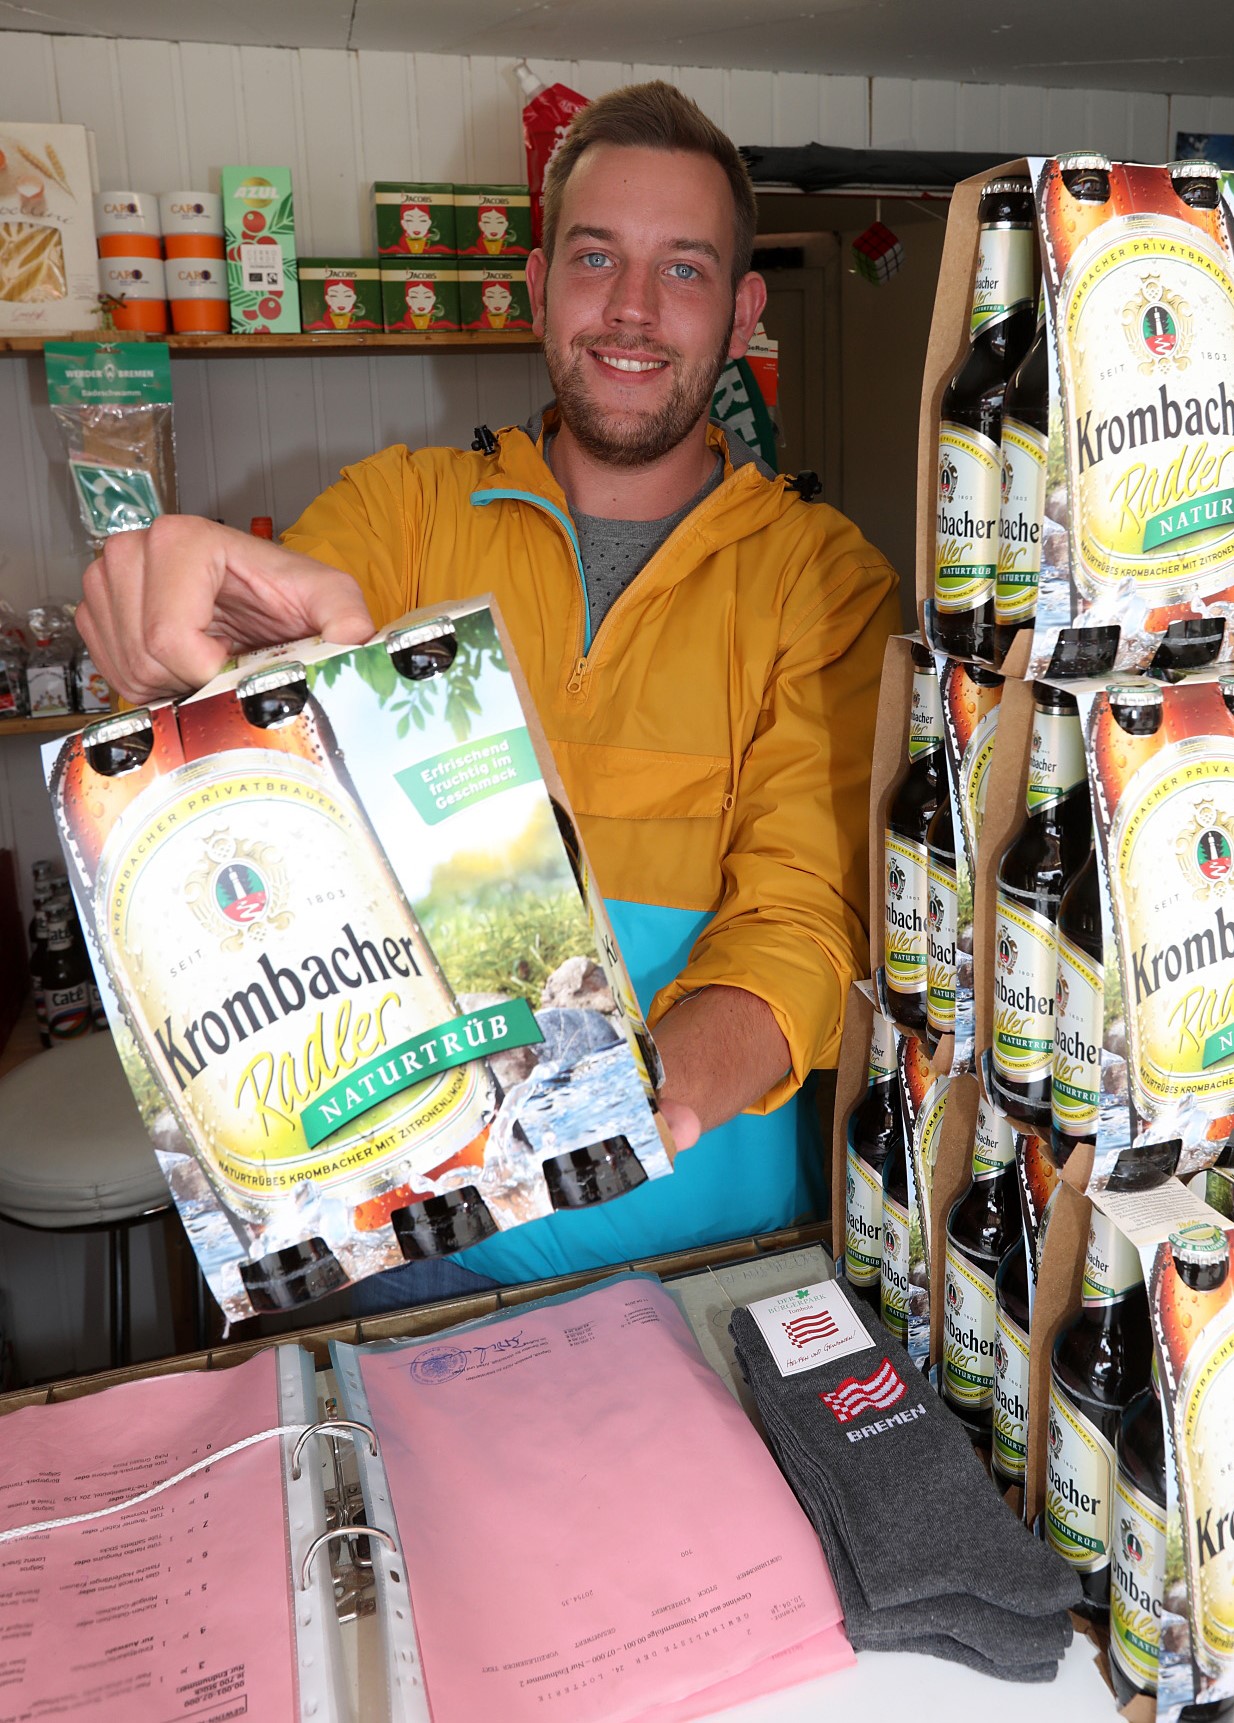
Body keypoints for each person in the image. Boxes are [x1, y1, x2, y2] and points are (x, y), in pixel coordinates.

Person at [77, 80, 899, 1310]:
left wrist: (624, 1108)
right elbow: (257, 702)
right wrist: (178, 618)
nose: (631, 308)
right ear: (537, 284)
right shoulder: (400, 514)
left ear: (742, 313)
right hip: (416, 1266)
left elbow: (804, 917)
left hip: (711, 1270)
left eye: (682, 269)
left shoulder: (822, 581)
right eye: (595, 257)